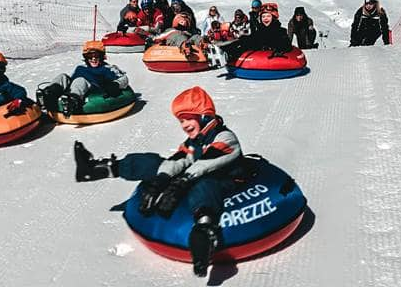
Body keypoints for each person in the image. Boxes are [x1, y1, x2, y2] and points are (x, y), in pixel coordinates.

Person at [73, 86, 261, 277]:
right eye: (181, 121)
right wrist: (160, 180)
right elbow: (178, 160)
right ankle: (99, 169)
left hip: (226, 180)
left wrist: (180, 183)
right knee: (154, 162)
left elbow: (206, 164)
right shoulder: (192, 142)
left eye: (188, 118)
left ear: (204, 116)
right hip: (195, 175)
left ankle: (205, 230)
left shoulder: (225, 137)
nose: (184, 125)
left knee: (203, 183)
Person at [35, 41, 128, 118]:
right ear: (86, 58)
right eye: (90, 57)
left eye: (97, 56)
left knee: (80, 80)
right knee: (62, 76)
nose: (93, 59)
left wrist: (116, 84)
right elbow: (72, 81)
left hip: (91, 89)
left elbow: (124, 78)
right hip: (75, 87)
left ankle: (72, 101)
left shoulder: (108, 68)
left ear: (102, 57)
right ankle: (48, 94)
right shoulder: (81, 67)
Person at [220, 3, 291, 61]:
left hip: (273, 58)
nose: (265, 19)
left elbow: (286, 44)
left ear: (274, 18)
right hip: (258, 54)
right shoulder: (260, 31)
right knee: (245, 39)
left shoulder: (280, 31)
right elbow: (252, 40)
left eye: (268, 16)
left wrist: (279, 50)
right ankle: (228, 51)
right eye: (263, 17)